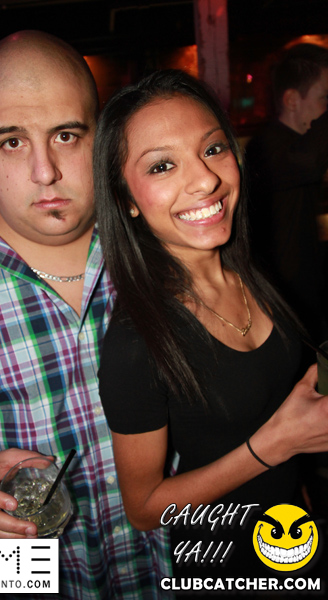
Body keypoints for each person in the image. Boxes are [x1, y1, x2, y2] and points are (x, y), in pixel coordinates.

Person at [0, 31, 172, 599]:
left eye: (66, 135)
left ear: (100, 131)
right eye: (12, 141)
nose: (45, 172)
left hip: (169, 557)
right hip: (9, 571)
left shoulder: (163, 233)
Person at [94, 69, 328, 591]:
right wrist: (275, 445)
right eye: (162, 165)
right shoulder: (136, 342)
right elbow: (144, 508)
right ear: (126, 198)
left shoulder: (247, 271)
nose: (205, 180)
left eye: (214, 149)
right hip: (223, 559)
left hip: (291, 532)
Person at [246, 43, 328, 345]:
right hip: (283, 303)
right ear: (292, 100)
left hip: (307, 294)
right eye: (325, 98)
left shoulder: (294, 145)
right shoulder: (265, 148)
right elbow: (309, 161)